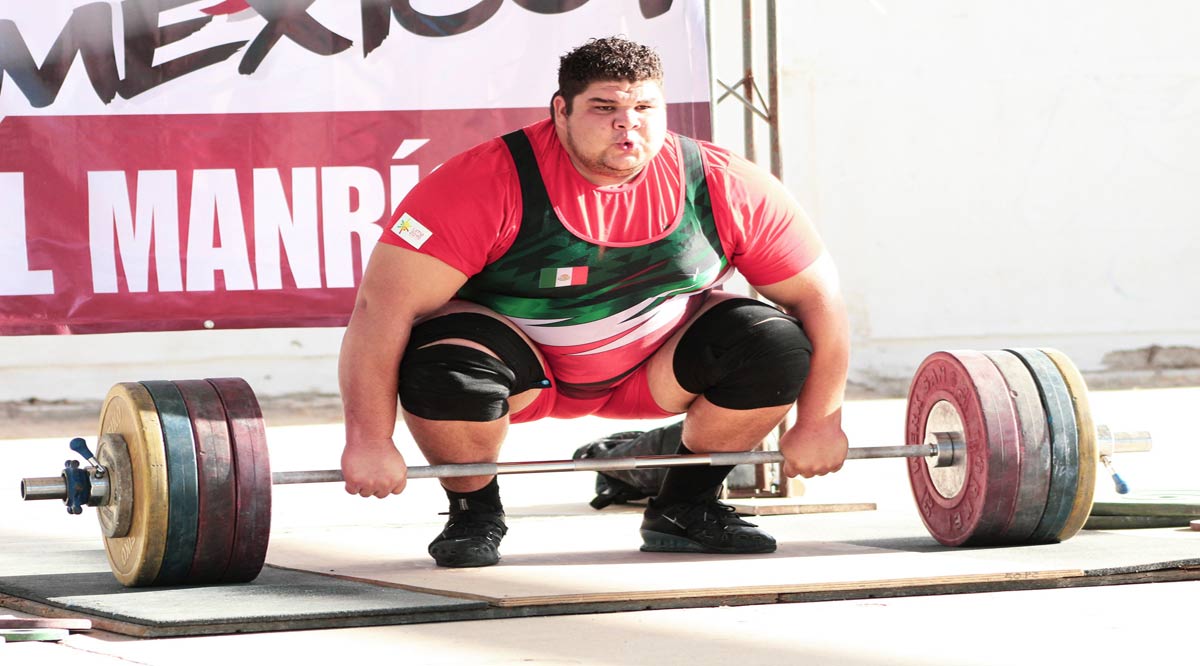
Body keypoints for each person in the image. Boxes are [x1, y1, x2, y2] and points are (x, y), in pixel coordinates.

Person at [338, 36, 851, 568]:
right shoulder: (482, 182)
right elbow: (381, 314)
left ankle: (686, 505)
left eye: (644, 108)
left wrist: (819, 423)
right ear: (561, 111)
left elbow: (821, 301)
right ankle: (473, 511)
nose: (627, 125)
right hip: (520, 373)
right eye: (605, 108)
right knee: (443, 363)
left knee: (774, 342)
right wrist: (370, 441)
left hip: (657, 369)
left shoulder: (726, 183)